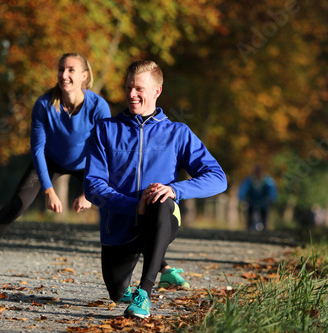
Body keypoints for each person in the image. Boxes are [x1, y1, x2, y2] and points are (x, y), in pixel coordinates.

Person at [84, 60, 227, 318]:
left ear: (156, 91)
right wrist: (132, 205)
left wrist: (176, 190)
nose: (131, 94)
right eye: (128, 87)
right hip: (119, 225)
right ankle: (161, 275)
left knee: (160, 200)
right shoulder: (105, 130)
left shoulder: (178, 133)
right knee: (116, 292)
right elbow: (92, 185)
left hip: (161, 218)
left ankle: (145, 292)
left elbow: (217, 177)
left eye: (139, 88)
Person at [0, 53, 111, 279]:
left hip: (86, 164)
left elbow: (103, 151)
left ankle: (161, 268)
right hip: (50, 160)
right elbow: (37, 149)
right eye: (60, 69)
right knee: (16, 205)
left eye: (71, 70)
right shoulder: (45, 104)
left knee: (117, 206)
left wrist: (88, 192)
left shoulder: (98, 106)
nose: (63, 75)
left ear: (84, 76)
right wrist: (48, 190)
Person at [238, 165, 277, 231]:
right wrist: (242, 198)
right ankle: (248, 227)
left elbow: (272, 189)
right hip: (251, 200)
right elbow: (243, 189)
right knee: (249, 213)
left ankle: (264, 227)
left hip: (263, 201)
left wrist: (271, 198)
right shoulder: (250, 180)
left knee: (264, 214)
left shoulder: (267, 180)